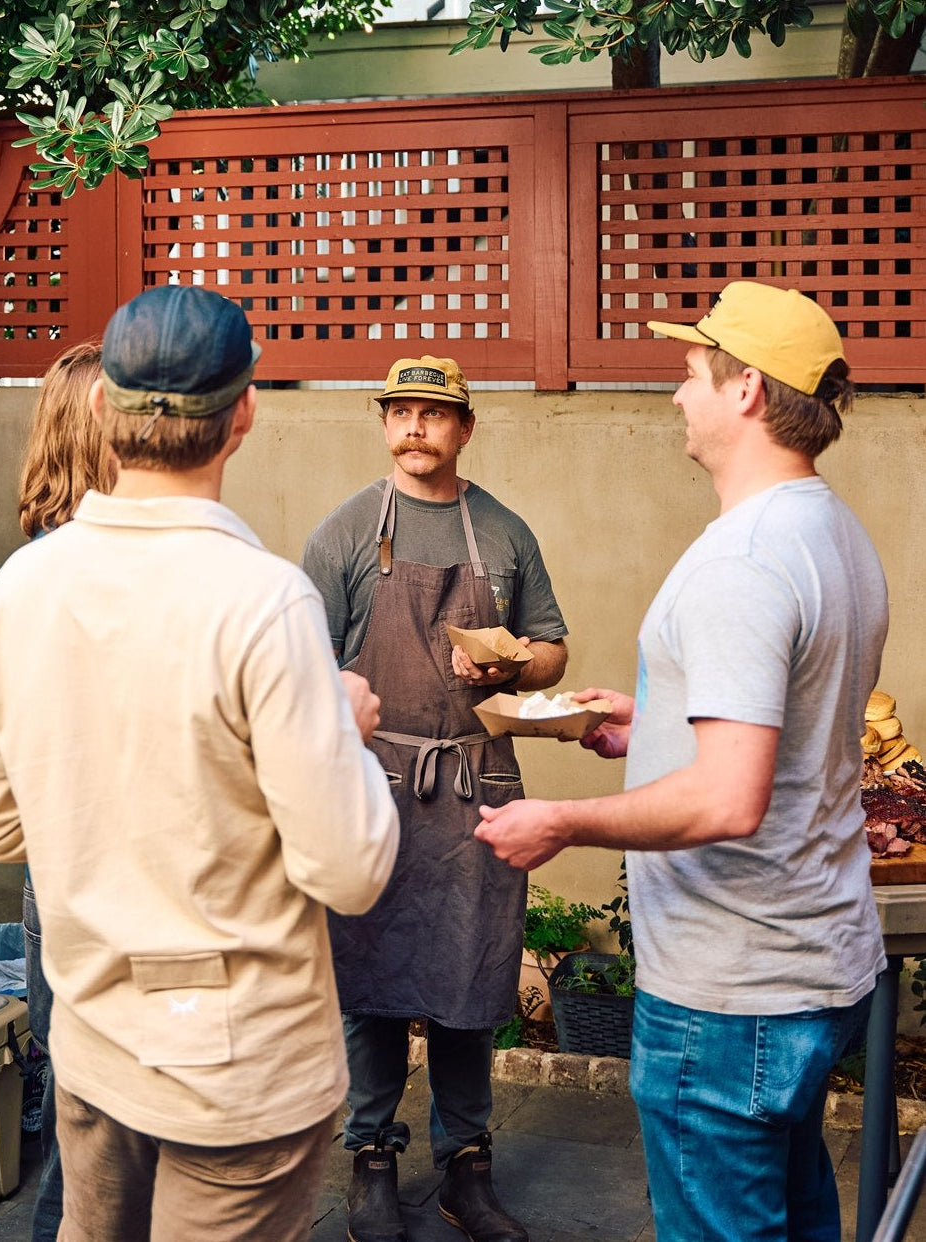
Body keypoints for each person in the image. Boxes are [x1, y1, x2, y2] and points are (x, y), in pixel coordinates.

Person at [0, 284, 400, 1242]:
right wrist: (344, 726)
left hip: (93, 1042)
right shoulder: (264, 602)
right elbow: (351, 871)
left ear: (107, 411)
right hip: (238, 1078)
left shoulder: (21, 585)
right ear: (244, 412)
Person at [473, 281, 888, 1242]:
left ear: (745, 391)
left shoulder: (740, 562)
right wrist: (647, 717)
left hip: (730, 989)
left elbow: (727, 796)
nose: (676, 394)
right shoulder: (827, 530)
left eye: (691, 371)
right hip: (806, 966)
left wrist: (560, 822)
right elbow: (788, 724)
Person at [301, 354, 569, 1242]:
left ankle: (466, 1166)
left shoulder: (500, 531)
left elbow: (553, 651)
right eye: (401, 411)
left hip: (475, 783)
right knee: (370, 979)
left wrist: (510, 662)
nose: (415, 426)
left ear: (463, 429)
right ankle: (370, 1159)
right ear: (385, 424)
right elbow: (301, 671)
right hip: (373, 784)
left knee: (470, 976)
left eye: (434, 413)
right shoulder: (344, 533)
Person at [16, 339, 118, 1242]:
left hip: (55, 871)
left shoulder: (29, 568)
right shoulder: (89, 572)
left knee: (79, 1104)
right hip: (97, 872)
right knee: (95, 1125)